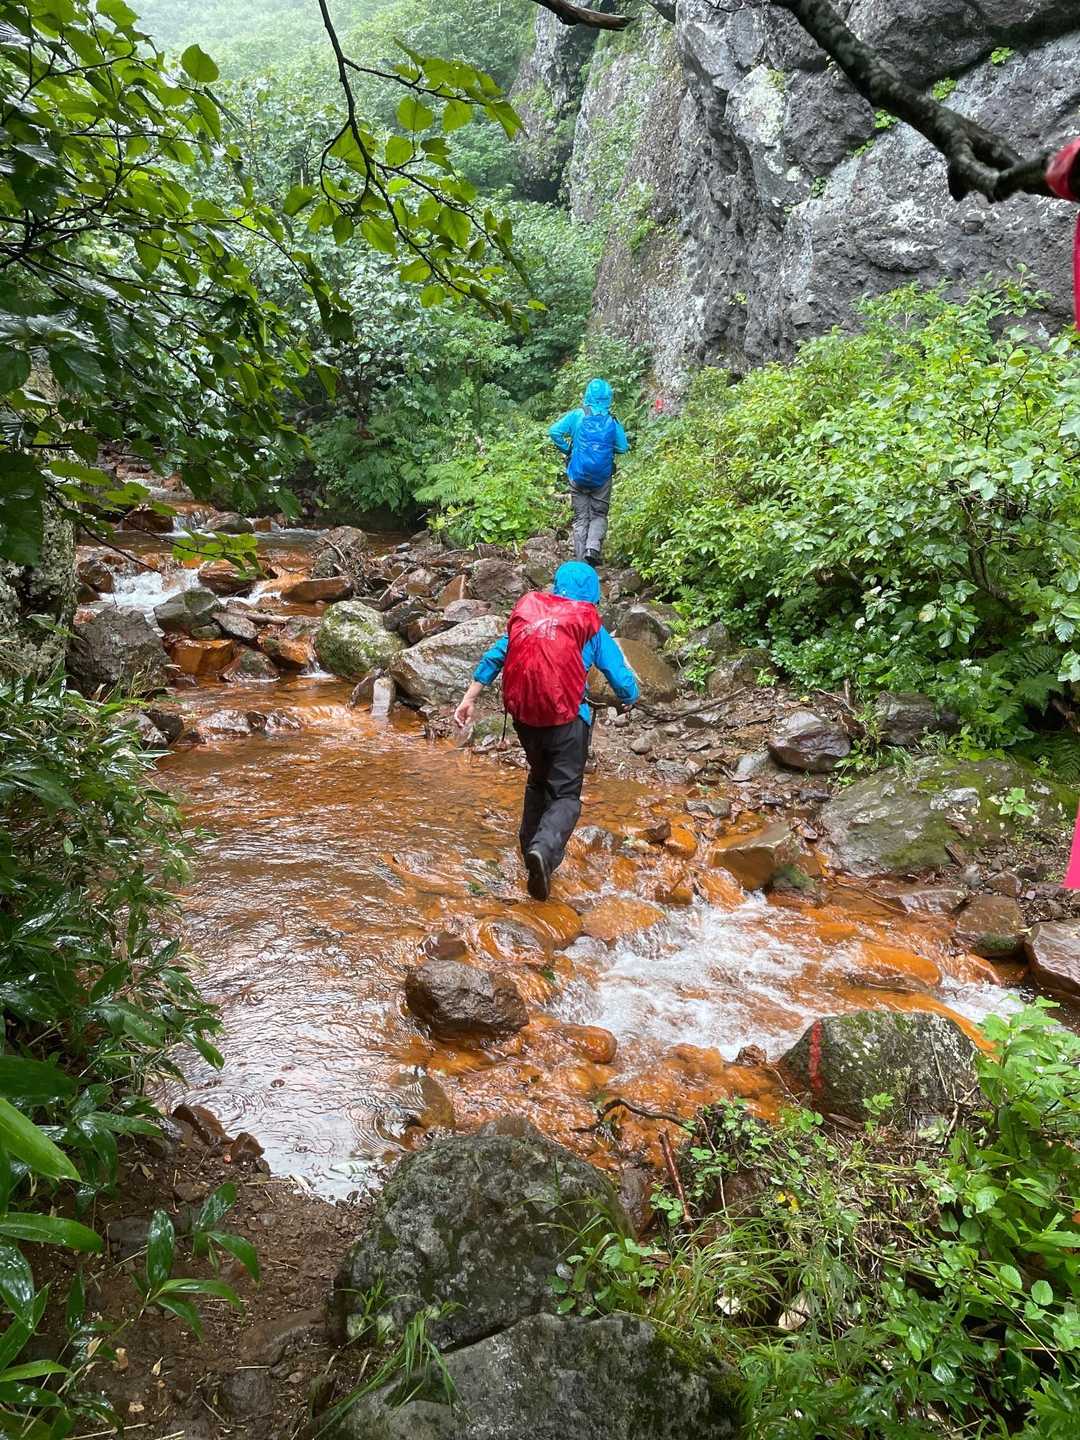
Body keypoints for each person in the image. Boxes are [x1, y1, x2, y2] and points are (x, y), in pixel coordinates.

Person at [454, 561, 639, 901]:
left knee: (539, 779)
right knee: (566, 794)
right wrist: (630, 697)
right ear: (593, 596)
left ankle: (529, 848)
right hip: (567, 720)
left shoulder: (531, 617)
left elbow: (496, 655)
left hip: (526, 719)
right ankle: (543, 850)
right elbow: (618, 674)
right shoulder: (587, 623)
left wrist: (469, 698)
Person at [548, 377, 629, 567]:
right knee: (599, 515)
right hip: (602, 478)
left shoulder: (578, 415)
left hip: (578, 475)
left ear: (588, 395)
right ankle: (592, 549)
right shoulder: (612, 420)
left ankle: (580, 561)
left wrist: (568, 449)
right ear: (608, 398)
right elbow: (623, 447)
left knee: (580, 518)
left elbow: (554, 431)